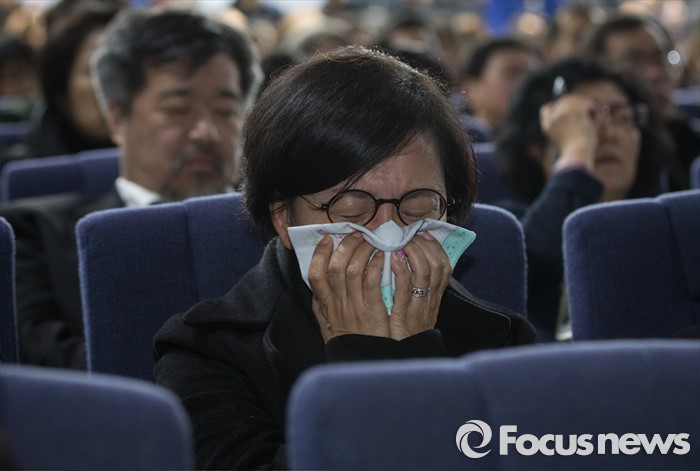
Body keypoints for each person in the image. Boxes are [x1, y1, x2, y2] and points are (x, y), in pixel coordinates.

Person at [154, 46, 535, 470]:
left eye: (418, 207)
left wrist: (417, 352)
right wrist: (365, 359)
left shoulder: (502, 339)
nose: (388, 233)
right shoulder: (206, 352)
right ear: (284, 217)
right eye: (352, 208)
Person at [0, 6, 261, 369]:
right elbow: (49, 365)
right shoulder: (35, 235)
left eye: (225, 111)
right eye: (178, 109)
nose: (207, 132)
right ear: (117, 118)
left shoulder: (275, 230)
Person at [494, 56, 670, 341]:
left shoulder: (668, 225)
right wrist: (577, 152)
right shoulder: (506, 227)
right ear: (537, 147)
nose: (608, 133)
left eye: (622, 117)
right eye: (586, 120)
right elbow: (530, 267)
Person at [584, 14, 700, 191]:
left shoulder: (688, 140)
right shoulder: (594, 151)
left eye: (660, 59)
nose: (654, 73)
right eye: (633, 62)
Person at [22, 2, 123, 158]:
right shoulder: (20, 166)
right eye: (95, 70)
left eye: (122, 68)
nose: (114, 82)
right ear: (60, 90)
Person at [456, 37, 540, 143]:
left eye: (531, 76)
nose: (526, 83)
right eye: (512, 74)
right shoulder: (453, 147)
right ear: (470, 90)